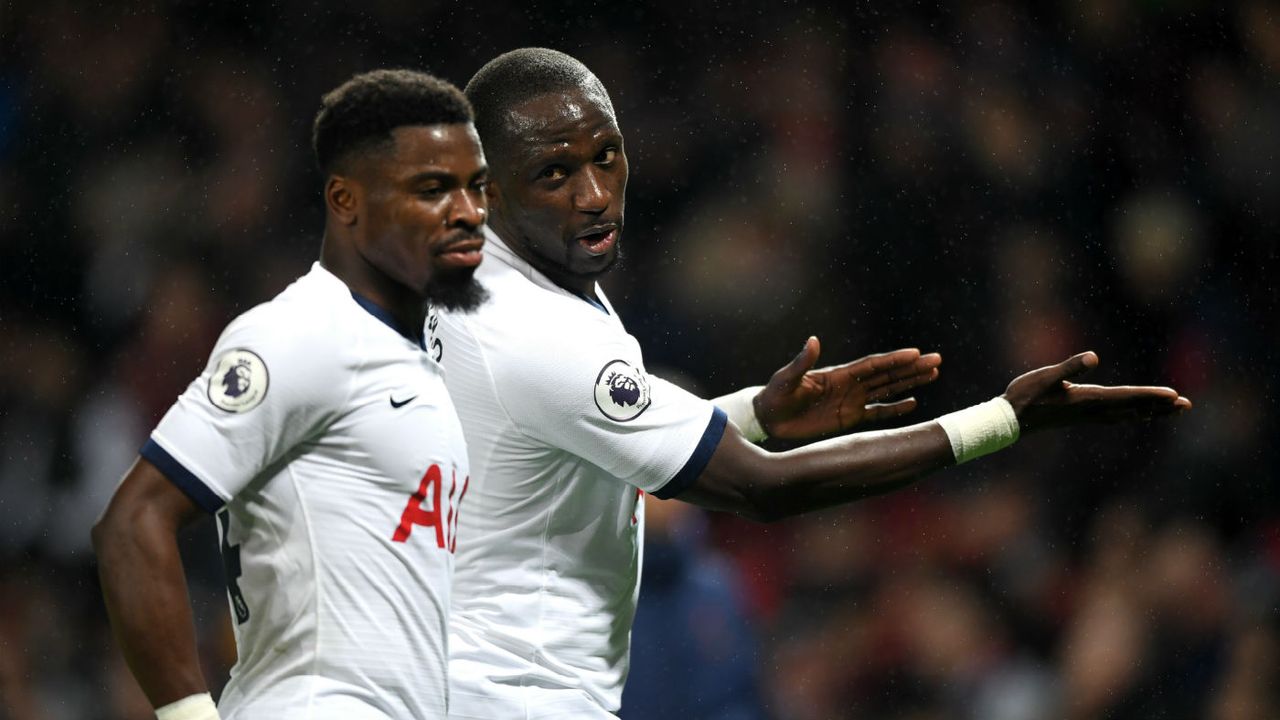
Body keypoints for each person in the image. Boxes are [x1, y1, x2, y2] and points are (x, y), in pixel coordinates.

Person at [432, 48, 1191, 718]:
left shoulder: (509, 284)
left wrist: (756, 411)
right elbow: (765, 489)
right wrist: (999, 421)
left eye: (607, 156)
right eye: (555, 173)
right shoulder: (535, 334)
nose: (595, 193)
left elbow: (579, 440)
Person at [92, 68, 489, 720]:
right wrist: (190, 715)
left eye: (478, 187)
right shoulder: (301, 334)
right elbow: (133, 522)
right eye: (432, 188)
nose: (469, 211)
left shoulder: (417, 365)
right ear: (346, 200)